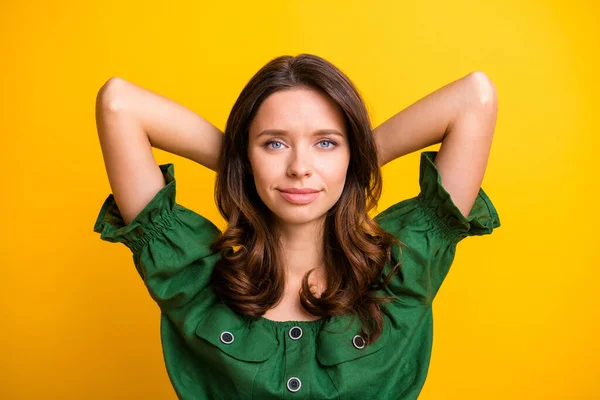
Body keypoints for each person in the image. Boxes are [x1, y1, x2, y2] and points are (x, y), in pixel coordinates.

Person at [93, 53, 500, 399]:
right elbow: (119, 104)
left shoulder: (399, 272)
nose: (300, 168)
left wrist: (355, 163)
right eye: (274, 143)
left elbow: (475, 97)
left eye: (326, 143)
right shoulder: (195, 279)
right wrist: (241, 168)